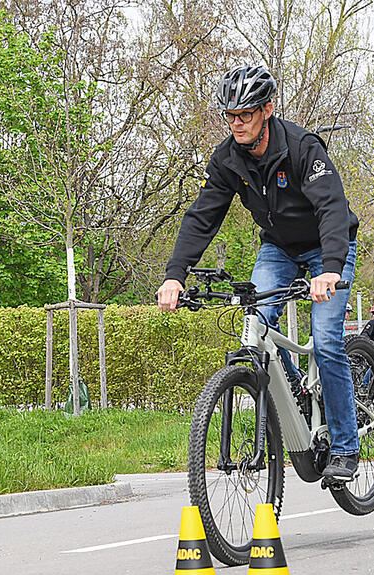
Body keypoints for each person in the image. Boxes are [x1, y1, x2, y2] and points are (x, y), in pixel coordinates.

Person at [155, 65, 361, 482]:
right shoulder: (227, 159)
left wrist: (332, 270)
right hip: (278, 249)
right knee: (255, 323)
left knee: (325, 340)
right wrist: (175, 275)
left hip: (327, 248)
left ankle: (345, 445)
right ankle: (298, 389)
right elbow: (202, 218)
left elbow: (332, 210)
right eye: (230, 115)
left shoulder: (303, 148)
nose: (236, 123)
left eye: (245, 114)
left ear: (267, 110)